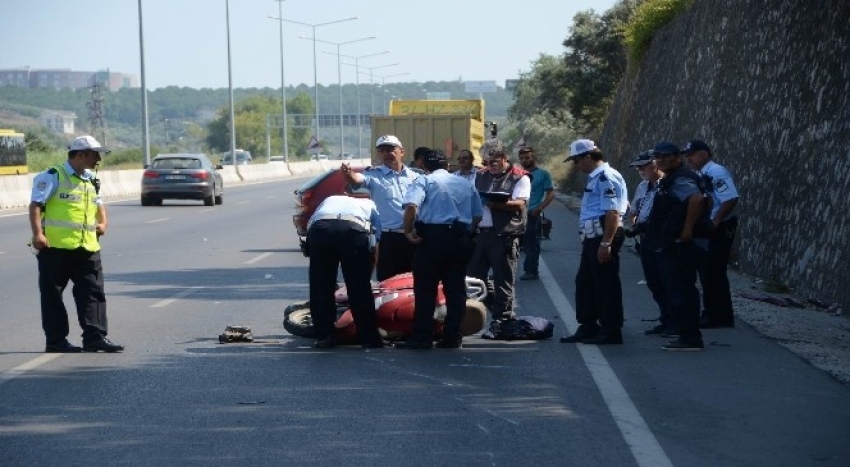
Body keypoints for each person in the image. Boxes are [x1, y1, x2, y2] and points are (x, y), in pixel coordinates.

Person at [29, 135, 124, 353]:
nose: (98, 158)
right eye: (95, 154)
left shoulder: (91, 178)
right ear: (80, 155)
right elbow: (36, 205)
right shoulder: (53, 175)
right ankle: (56, 341)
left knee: (93, 293)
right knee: (53, 296)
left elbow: (99, 203)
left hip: (87, 248)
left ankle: (95, 338)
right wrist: (37, 234)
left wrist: (104, 223)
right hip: (55, 247)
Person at [396, 149, 483, 349]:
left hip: (432, 239)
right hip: (459, 238)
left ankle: (422, 337)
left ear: (424, 166)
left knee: (426, 289)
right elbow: (477, 215)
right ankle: (453, 337)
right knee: (456, 290)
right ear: (447, 165)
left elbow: (411, 206)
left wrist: (408, 231)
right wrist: (465, 232)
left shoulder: (424, 181)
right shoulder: (464, 183)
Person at [559, 139, 628, 345]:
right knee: (585, 282)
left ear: (588, 157)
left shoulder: (606, 176)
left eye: (577, 160)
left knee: (605, 284)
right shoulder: (594, 177)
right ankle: (588, 326)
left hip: (604, 235)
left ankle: (610, 330)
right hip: (593, 236)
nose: (576, 165)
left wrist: (606, 243)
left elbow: (613, 212)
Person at [646, 141, 710, 351]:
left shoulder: (681, 177)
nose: (661, 159)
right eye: (658, 156)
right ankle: (685, 334)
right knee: (676, 289)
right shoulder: (672, 178)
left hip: (681, 244)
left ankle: (690, 338)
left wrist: (687, 229)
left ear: (677, 157)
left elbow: (697, 199)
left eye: (666, 156)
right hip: (672, 242)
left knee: (681, 290)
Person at [305, 193, 384, 349]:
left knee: (320, 287)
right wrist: (366, 275)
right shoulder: (370, 204)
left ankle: (324, 337)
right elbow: (375, 242)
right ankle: (369, 338)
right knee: (359, 288)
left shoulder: (328, 199)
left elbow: (310, 227)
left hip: (320, 230)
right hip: (353, 231)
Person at [468, 138, 530, 322]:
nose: (490, 165)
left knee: (503, 279)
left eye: (494, 161)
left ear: (504, 158)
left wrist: (493, 203)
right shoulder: (479, 175)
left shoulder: (520, 177)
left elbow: (519, 204)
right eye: (487, 161)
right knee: (473, 279)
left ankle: (502, 320)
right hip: (481, 235)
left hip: (504, 236)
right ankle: (494, 306)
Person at [341, 134, 419, 281]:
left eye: (390, 149)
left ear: (401, 151)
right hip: (387, 238)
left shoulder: (415, 177)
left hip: (412, 236)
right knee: (387, 280)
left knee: (413, 280)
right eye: (382, 151)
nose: (386, 154)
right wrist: (349, 174)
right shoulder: (373, 175)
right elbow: (357, 180)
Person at [684, 140, 739, 329]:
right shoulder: (702, 174)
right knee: (707, 271)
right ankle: (714, 312)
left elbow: (730, 197)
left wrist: (715, 221)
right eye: (687, 155)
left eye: (692, 154)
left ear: (705, 154)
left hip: (720, 227)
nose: (688, 158)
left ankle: (718, 315)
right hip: (711, 227)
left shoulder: (716, 172)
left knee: (713, 271)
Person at [626, 150, 673, 336]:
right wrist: (635, 222)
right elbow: (634, 209)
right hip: (646, 239)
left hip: (663, 240)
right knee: (654, 282)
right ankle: (665, 318)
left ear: (656, 164)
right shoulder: (643, 186)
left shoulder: (668, 185)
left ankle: (675, 321)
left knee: (668, 281)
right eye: (638, 167)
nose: (640, 170)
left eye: (643, 166)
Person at [518, 146, 555, 280]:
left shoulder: (543, 174)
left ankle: (531, 271)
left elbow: (550, 193)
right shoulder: (518, 174)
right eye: (522, 158)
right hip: (516, 214)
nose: (525, 160)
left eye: (527, 157)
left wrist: (539, 208)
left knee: (531, 244)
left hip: (532, 215)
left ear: (533, 157)